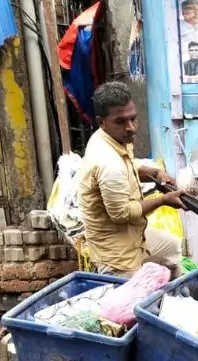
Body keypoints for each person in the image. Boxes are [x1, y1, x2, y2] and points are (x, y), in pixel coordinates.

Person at [77, 82, 186, 277]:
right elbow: (122, 213)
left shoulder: (113, 139)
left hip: (136, 234)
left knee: (171, 247)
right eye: (120, 121)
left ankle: (176, 295)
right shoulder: (107, 162)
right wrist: (164, 200)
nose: (130, 128)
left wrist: (155, 173)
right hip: (117, 252)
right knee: (134, 301)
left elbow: (130, 165)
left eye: (133, 119)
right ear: (102, 122)